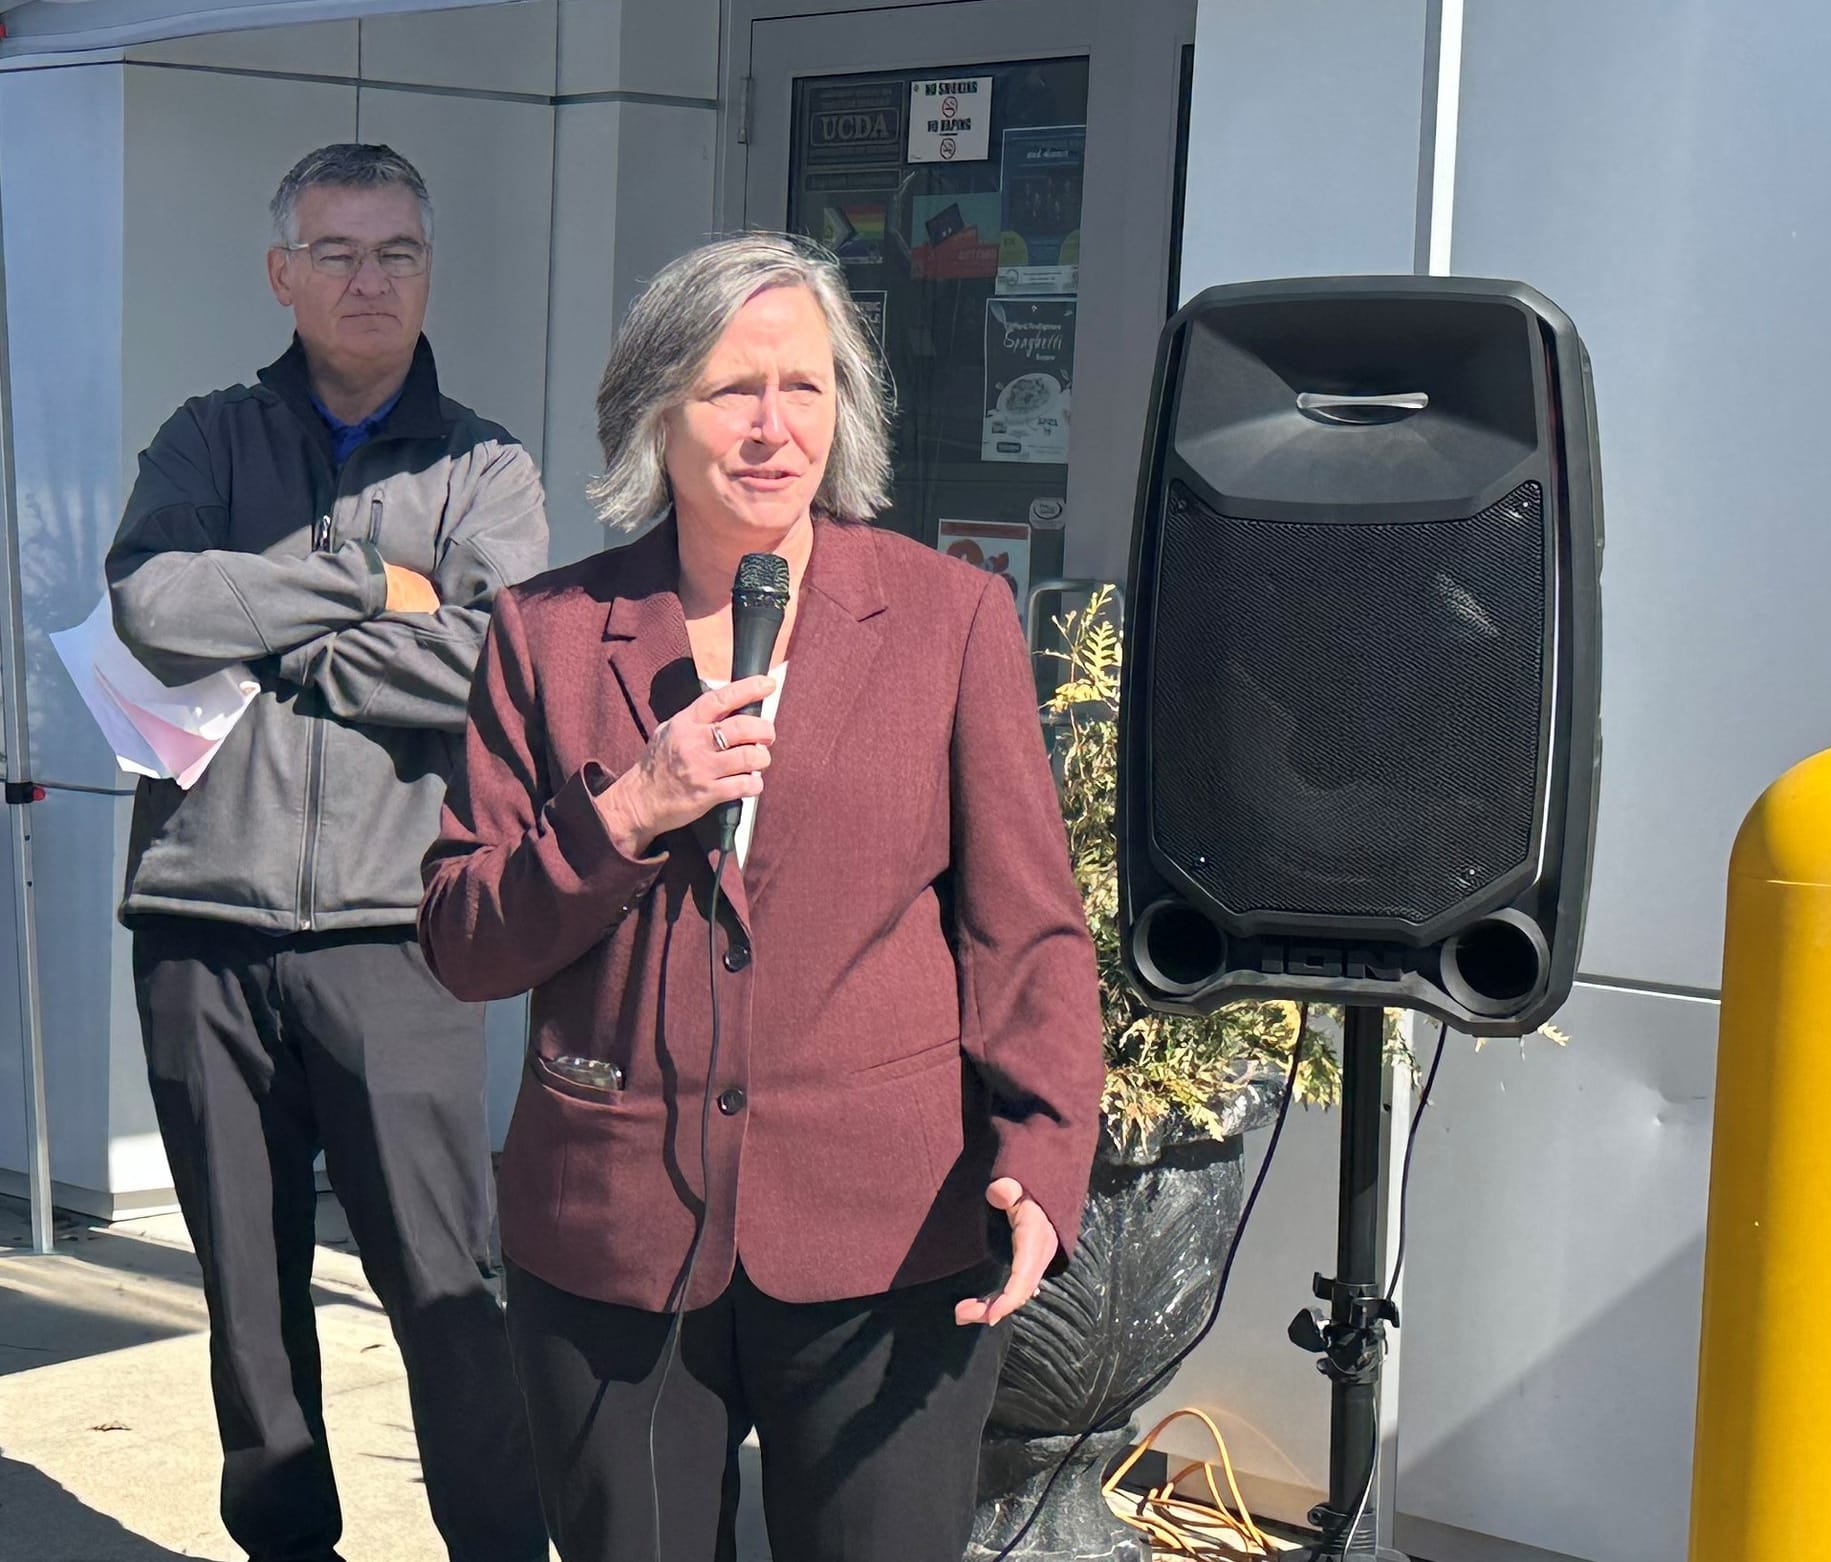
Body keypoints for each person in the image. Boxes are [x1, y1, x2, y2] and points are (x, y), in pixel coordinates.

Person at [418, 232, 1105, 1561]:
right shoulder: (545, 634)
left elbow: (1024, 929)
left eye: (805, 386)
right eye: (732, 388)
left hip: (889, 1238)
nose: (772, 426)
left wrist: (1044, 1151)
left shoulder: (950, 618)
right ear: (655, 413)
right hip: (612, 1240)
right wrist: (628, 809)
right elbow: (461, 940)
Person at [104, 143, 549, 1562]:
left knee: (447, 1288)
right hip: (200, 923)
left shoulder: (486, 465)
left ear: (429, 272)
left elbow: (499, 664)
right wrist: (365, 585)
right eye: (338, 252)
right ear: (281, 274)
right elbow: (154, 609)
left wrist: (290, 647)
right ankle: (288, 1547)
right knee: (250, 1299)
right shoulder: (204, 438)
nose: (370, 280)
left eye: (397, 252)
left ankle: (500, 1546)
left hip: (397, 931)